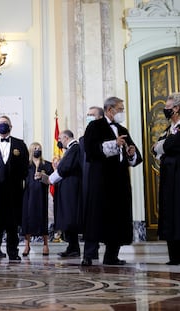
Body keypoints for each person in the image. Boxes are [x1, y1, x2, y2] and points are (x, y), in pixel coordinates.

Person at [81, 96, 142, 266]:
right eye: (120, 109)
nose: (122, 112)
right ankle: (89, 255)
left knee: (118, 217)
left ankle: (111, 255)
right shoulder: (94, 126)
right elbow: (91, 151)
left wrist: (131, 153)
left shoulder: (122, 128)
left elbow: (135, 157)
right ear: (110, 109)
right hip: (101, 180)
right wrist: (114, 144)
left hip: (120, 181)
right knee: (96, 216)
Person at [0, 115, 29, 261]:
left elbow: (25, 168)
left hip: (13, 191)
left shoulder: (20, 144)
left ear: (10, 127)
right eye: (0, 124)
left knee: (12, 224)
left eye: (5, 123)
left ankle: (13, 252)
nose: (3, 126)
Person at [152, 93, 180, 265]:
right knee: (170, 213)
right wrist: (163, 146)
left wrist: (162, 146)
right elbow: (153, 149)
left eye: (169, 107)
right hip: (169, 179)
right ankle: (174, 256)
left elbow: (171, 144)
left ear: (176, 108)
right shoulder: (168, 131)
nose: (166, 110)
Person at [48, 130, 82, 258]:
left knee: (70, 218)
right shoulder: (71, 149)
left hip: (71, 190)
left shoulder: (74, 148)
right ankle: (72, 247)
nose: (59, 141)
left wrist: (50, 179)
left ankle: (73, 248)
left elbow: (65, 168)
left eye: (60, 138)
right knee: (68, 218)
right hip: (68, 189)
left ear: (66, 137)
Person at [80, 106, 104, 261]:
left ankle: (111, 254)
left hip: (104, 184)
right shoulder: (83, 140)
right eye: (87, 115)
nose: (88, 117)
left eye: (92, 115)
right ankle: (90, 253)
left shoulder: (107, 137)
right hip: (88, 186)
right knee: (91, 221)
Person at [21, 142, 53, 257]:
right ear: (30, 150)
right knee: (27, 219)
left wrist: (43, 177)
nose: (37, 150)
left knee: (42, 218)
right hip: (28, 195)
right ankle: (26, 245)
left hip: (41, 195)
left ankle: (45, 245)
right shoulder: (26, 165)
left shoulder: (47, 165)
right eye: (35, 148)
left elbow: (52, 179)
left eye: (39, 148)